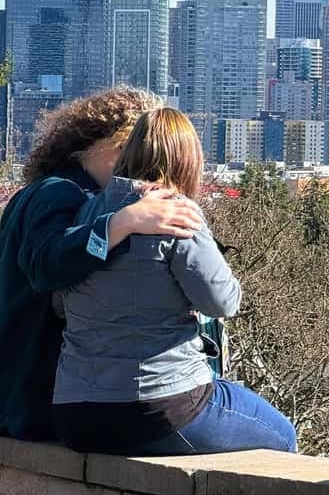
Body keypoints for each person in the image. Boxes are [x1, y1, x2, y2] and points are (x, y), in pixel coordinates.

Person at [50, 108, 297, 455]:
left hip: (76, 413)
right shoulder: (176, 213)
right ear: (186, 161)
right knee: (282, 436)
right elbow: (222, 302)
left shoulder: (86, 213)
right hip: (158, 406)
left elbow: (61, 301)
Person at [0, 87, 204, 441]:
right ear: (106, 145)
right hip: (36, 394)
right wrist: (122, 223)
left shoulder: (44, 191)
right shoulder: (62, 193)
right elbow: (46, 265)